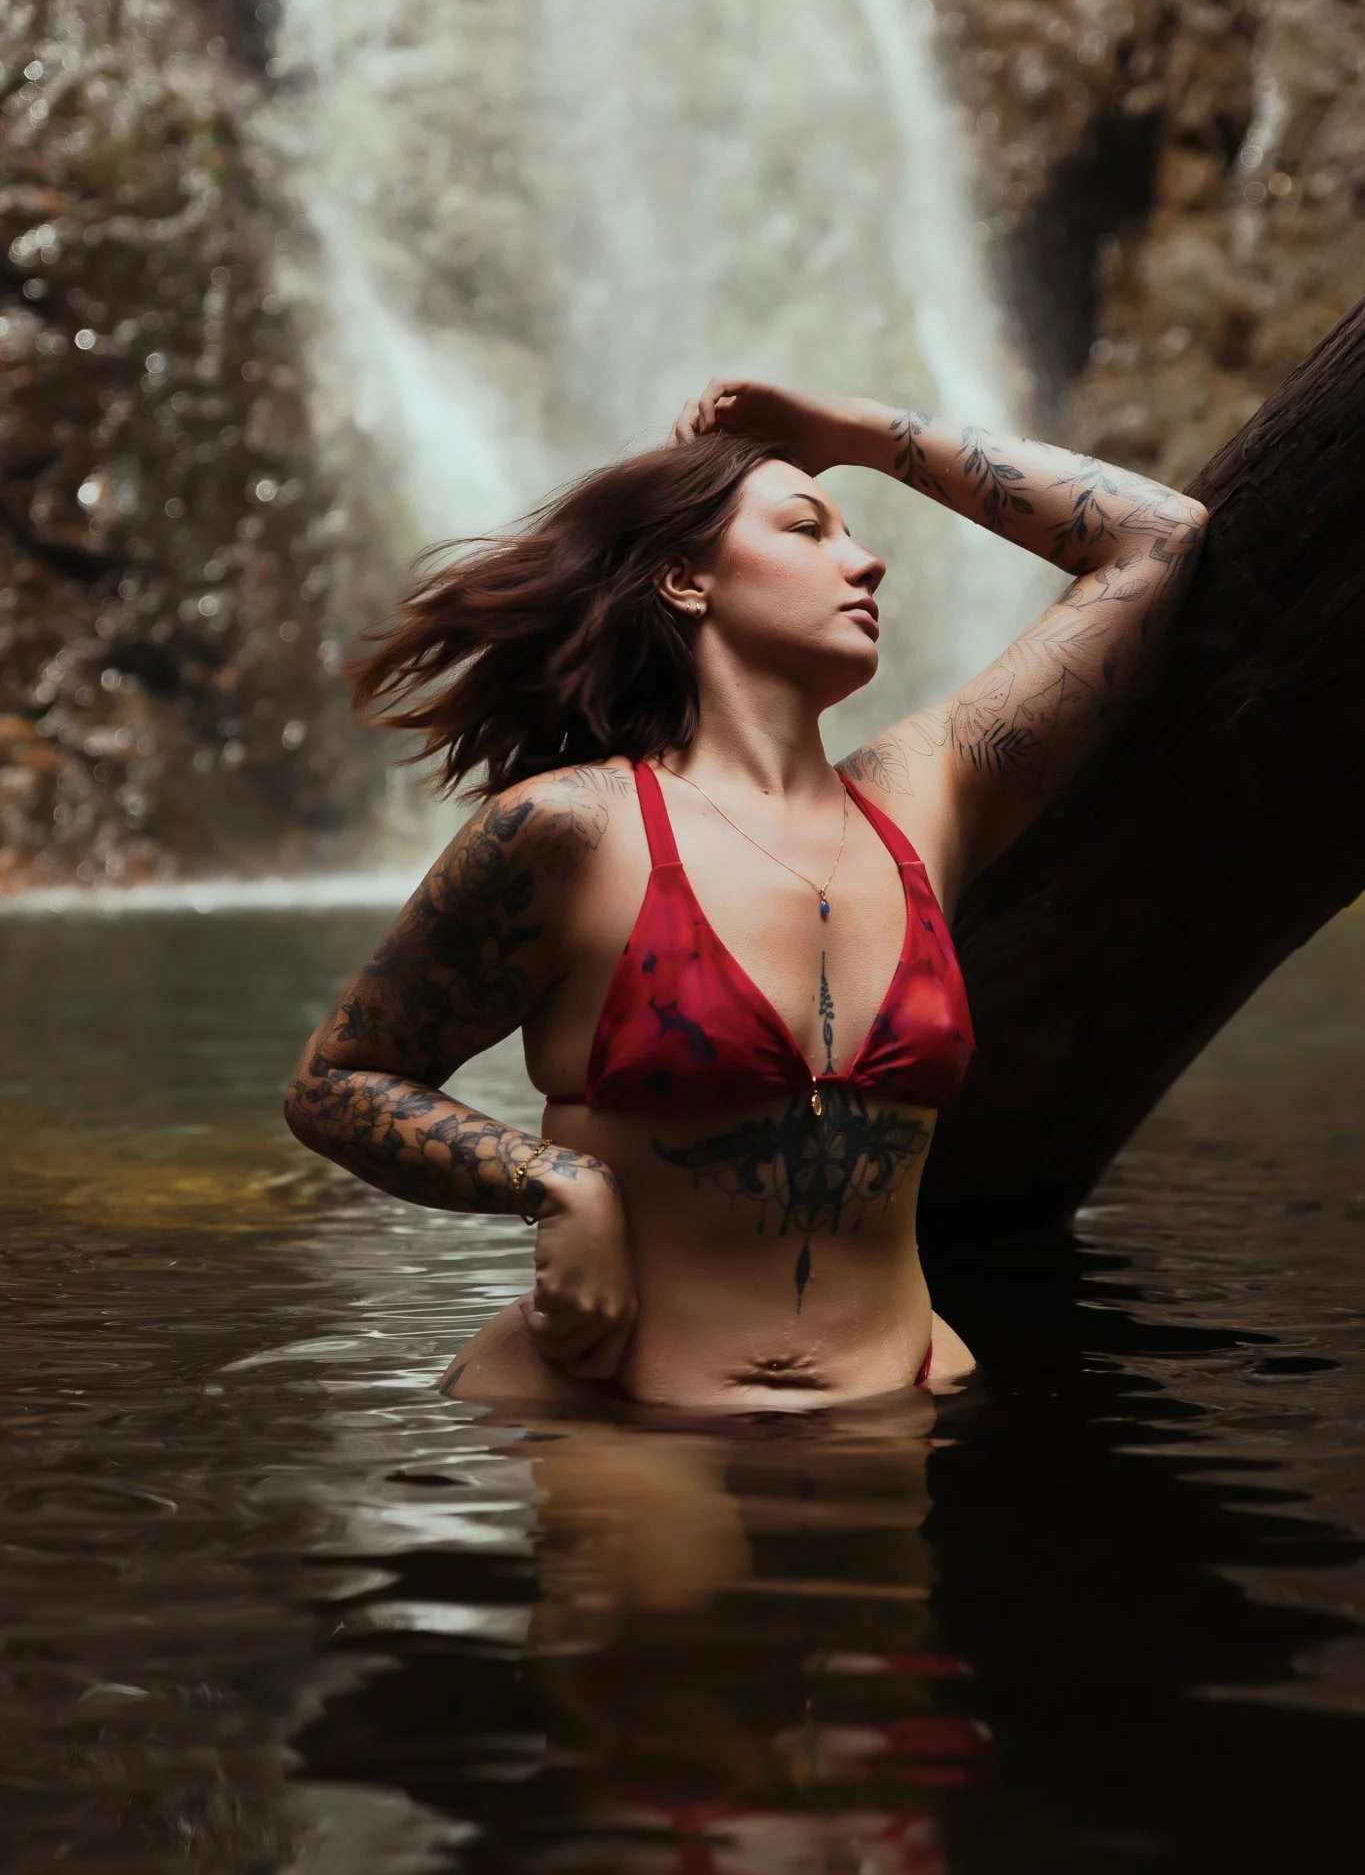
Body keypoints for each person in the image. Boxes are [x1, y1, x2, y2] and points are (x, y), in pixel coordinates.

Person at [283, 379, 1208, 1410]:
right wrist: (553, 1180)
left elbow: (1157, 536)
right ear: (684, 579)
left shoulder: (924, 796)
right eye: (807, 527)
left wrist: (847, 434)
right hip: (632, 1422)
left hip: (897, 1405)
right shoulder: (572, 827)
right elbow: (338, 1079)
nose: (866, 560)